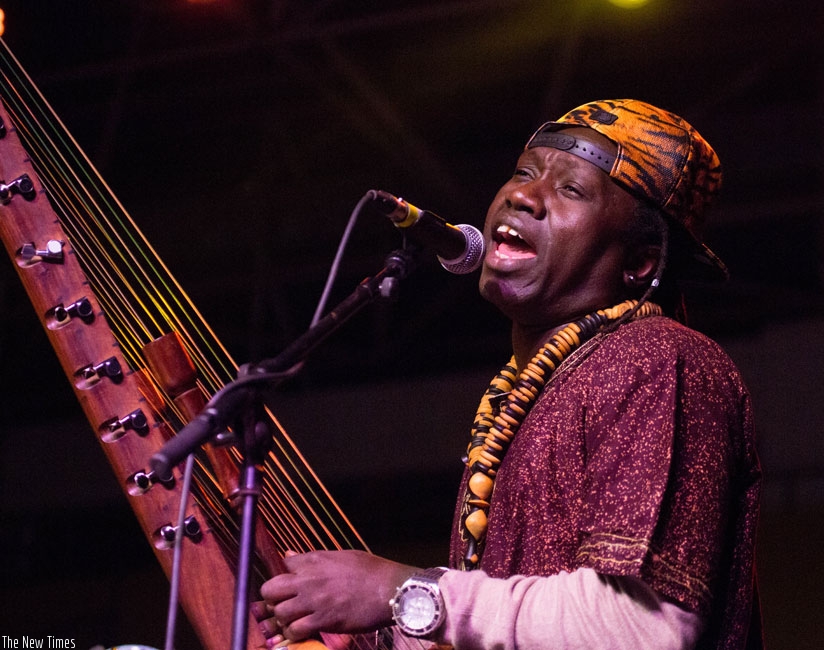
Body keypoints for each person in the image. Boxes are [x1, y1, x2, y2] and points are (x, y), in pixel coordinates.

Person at [256, 99, 763, 649]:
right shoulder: (531, 390)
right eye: (524, 172)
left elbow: (641, 629)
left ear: (639, 262)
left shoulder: (659, 360)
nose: (521, 195)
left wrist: (401, 591)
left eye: (570, 189)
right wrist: (382, 633)